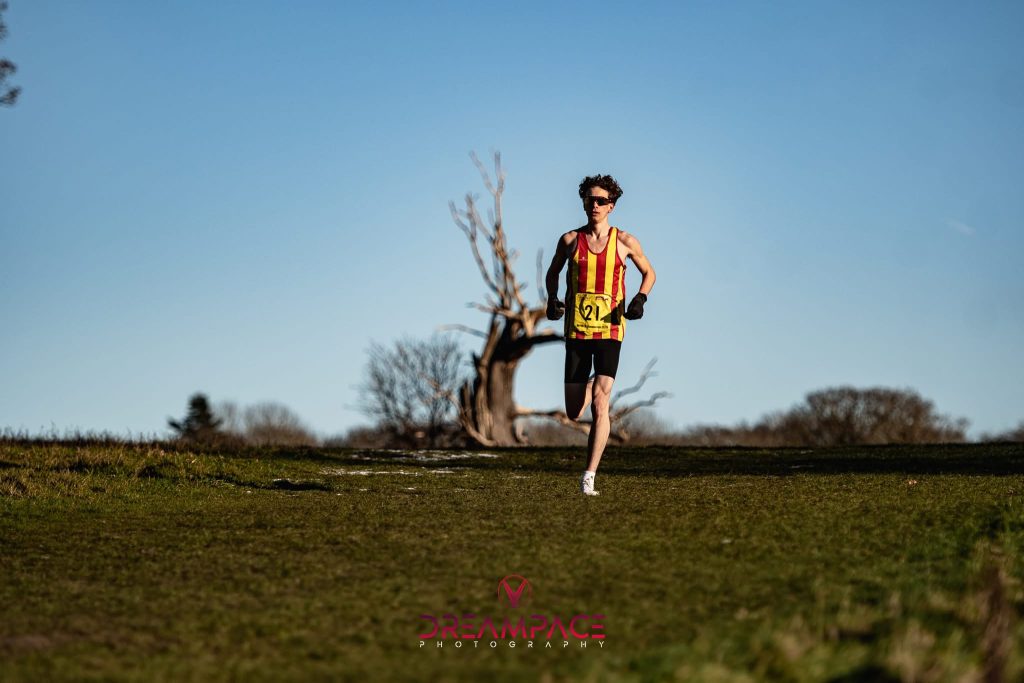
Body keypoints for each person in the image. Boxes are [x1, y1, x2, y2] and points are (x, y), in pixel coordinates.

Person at [545, 174, 656, 496]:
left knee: (600, 401)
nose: (594, 205)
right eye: (590, 199)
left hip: (610, 328)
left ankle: (589, 476)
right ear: (583, 201)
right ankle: (593, 381)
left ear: (612, 206)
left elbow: (649, 272)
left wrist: (640, 299)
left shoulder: (625, 241)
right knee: (573, 410)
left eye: (601, 201)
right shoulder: (569, 240)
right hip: (578, 329)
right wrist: (552, 299)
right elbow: (553, 272)